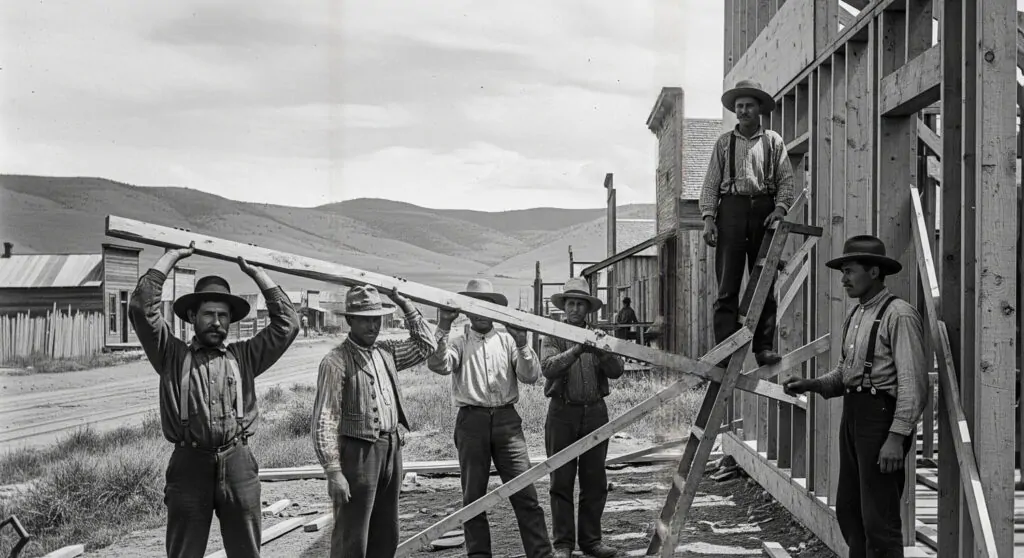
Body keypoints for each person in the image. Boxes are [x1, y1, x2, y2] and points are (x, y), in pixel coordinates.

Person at [127, 241, 300, 558]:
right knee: (184, 553)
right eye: (208, 314)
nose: (217, 322)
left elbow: (288, 323)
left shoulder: (245, 356)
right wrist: (171, 256)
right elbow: (141, 308)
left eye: (223, 315)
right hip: (189, 466)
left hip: (238, 463)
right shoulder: (170, 354)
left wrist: (258, 272)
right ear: (192, 316)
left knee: (247, 551)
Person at [782, 235, 928, 558]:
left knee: (879, 520)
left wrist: (896, 436)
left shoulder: (899, 315)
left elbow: (913, 384)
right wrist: (811, 384)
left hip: (880, 422)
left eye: (850, 271)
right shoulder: (856, 315)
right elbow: (845, 375)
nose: (844, 279)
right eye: (842, 272)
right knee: (850, 512)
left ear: (874, 272)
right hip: (854, 417)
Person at [427, 278, 554, 558]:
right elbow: (438, 364)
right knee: (473, 497)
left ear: (495, 309)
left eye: (487, 305)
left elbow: (530, 376)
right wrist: (443, 327)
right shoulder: (458, 343)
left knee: (525, 492)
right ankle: (479, 555)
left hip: (507, 421)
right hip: (471, 422)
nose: (480, 312)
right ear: (466, 310)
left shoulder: (509, 340)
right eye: (474, 305)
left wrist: (523, 344)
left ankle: (541, 554)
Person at [311, 285, 438, 558]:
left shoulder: (386, 351)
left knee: (386, 530)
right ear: (350, 320)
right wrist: (333, 472)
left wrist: (405, 304)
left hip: (391, 447)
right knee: (353, 533)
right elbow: (325, 419)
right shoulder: (336, 361)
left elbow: (427, 345)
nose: (372, 325)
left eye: (376, 318)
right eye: (365, 319)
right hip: (358, 452)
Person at [699, 78, 796, 367]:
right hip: (730, 211)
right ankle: (726, 352)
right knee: (727, 285)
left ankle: (763, 348)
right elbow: (710, 185)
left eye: (748, 106)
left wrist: (779, 209)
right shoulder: (723, 143)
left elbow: (786, 181)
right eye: (739, 106)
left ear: (759, 110)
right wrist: (708, 219)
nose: (743, 111)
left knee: (764, 281)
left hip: (763, 213)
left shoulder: (773, 141)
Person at [541, 277, 624, 558]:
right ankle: (563, 544)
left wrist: (601, 352)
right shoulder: (552, 334)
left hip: (595, 413)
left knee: (594, 479)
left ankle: (591, 541)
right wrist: (577, 349)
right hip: (562, 412)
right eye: (571, 303)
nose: (575, 308)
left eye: (580, 304)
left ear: (588, 308)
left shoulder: (599, 336)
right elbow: (549, 368)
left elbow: (616, 371)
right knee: (561, 479)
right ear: (564, 306)